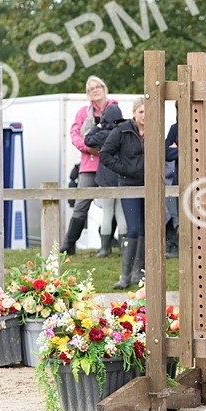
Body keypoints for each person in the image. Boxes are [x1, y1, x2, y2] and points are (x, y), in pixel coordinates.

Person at [62, 75, 119, 255]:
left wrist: (104, 148)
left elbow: (119, 134)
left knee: (113, 204)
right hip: (89, 164)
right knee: (81, 204)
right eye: (91, 88)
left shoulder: (114, 109)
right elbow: (74, 134)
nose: (95, 90)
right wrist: (87, 147)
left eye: (98, 86)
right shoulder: (82, 113)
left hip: (110, 164)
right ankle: (69, 244)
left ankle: (107, 244)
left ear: (104, 88)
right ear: (88, 93)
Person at [101, 98, 146, 290]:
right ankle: (125, 275)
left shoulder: (156, 130)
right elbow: (105, 154)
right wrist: (124, 169)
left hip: (151, 185)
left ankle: (140, 273)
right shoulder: (122, 130)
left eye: (148, 111)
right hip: (129, 184)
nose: (145, 115)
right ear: (134, 113)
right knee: (133, 228)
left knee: (146, 229)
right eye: (142, 111)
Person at [84, 103, 127, 256]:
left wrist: (97, 126)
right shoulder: (122, 132)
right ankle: (124, 249)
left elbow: (88, 140)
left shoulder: (102, 134)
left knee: (107, 214)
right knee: (121, 215)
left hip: (106, 178)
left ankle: (105, 248)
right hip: (121, 178)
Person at [164, 121, 180, 258]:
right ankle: (175, 245)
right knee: (175, 215)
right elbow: (166, 153)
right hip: (177, 181)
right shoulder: (175, 128)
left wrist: (178, 149)